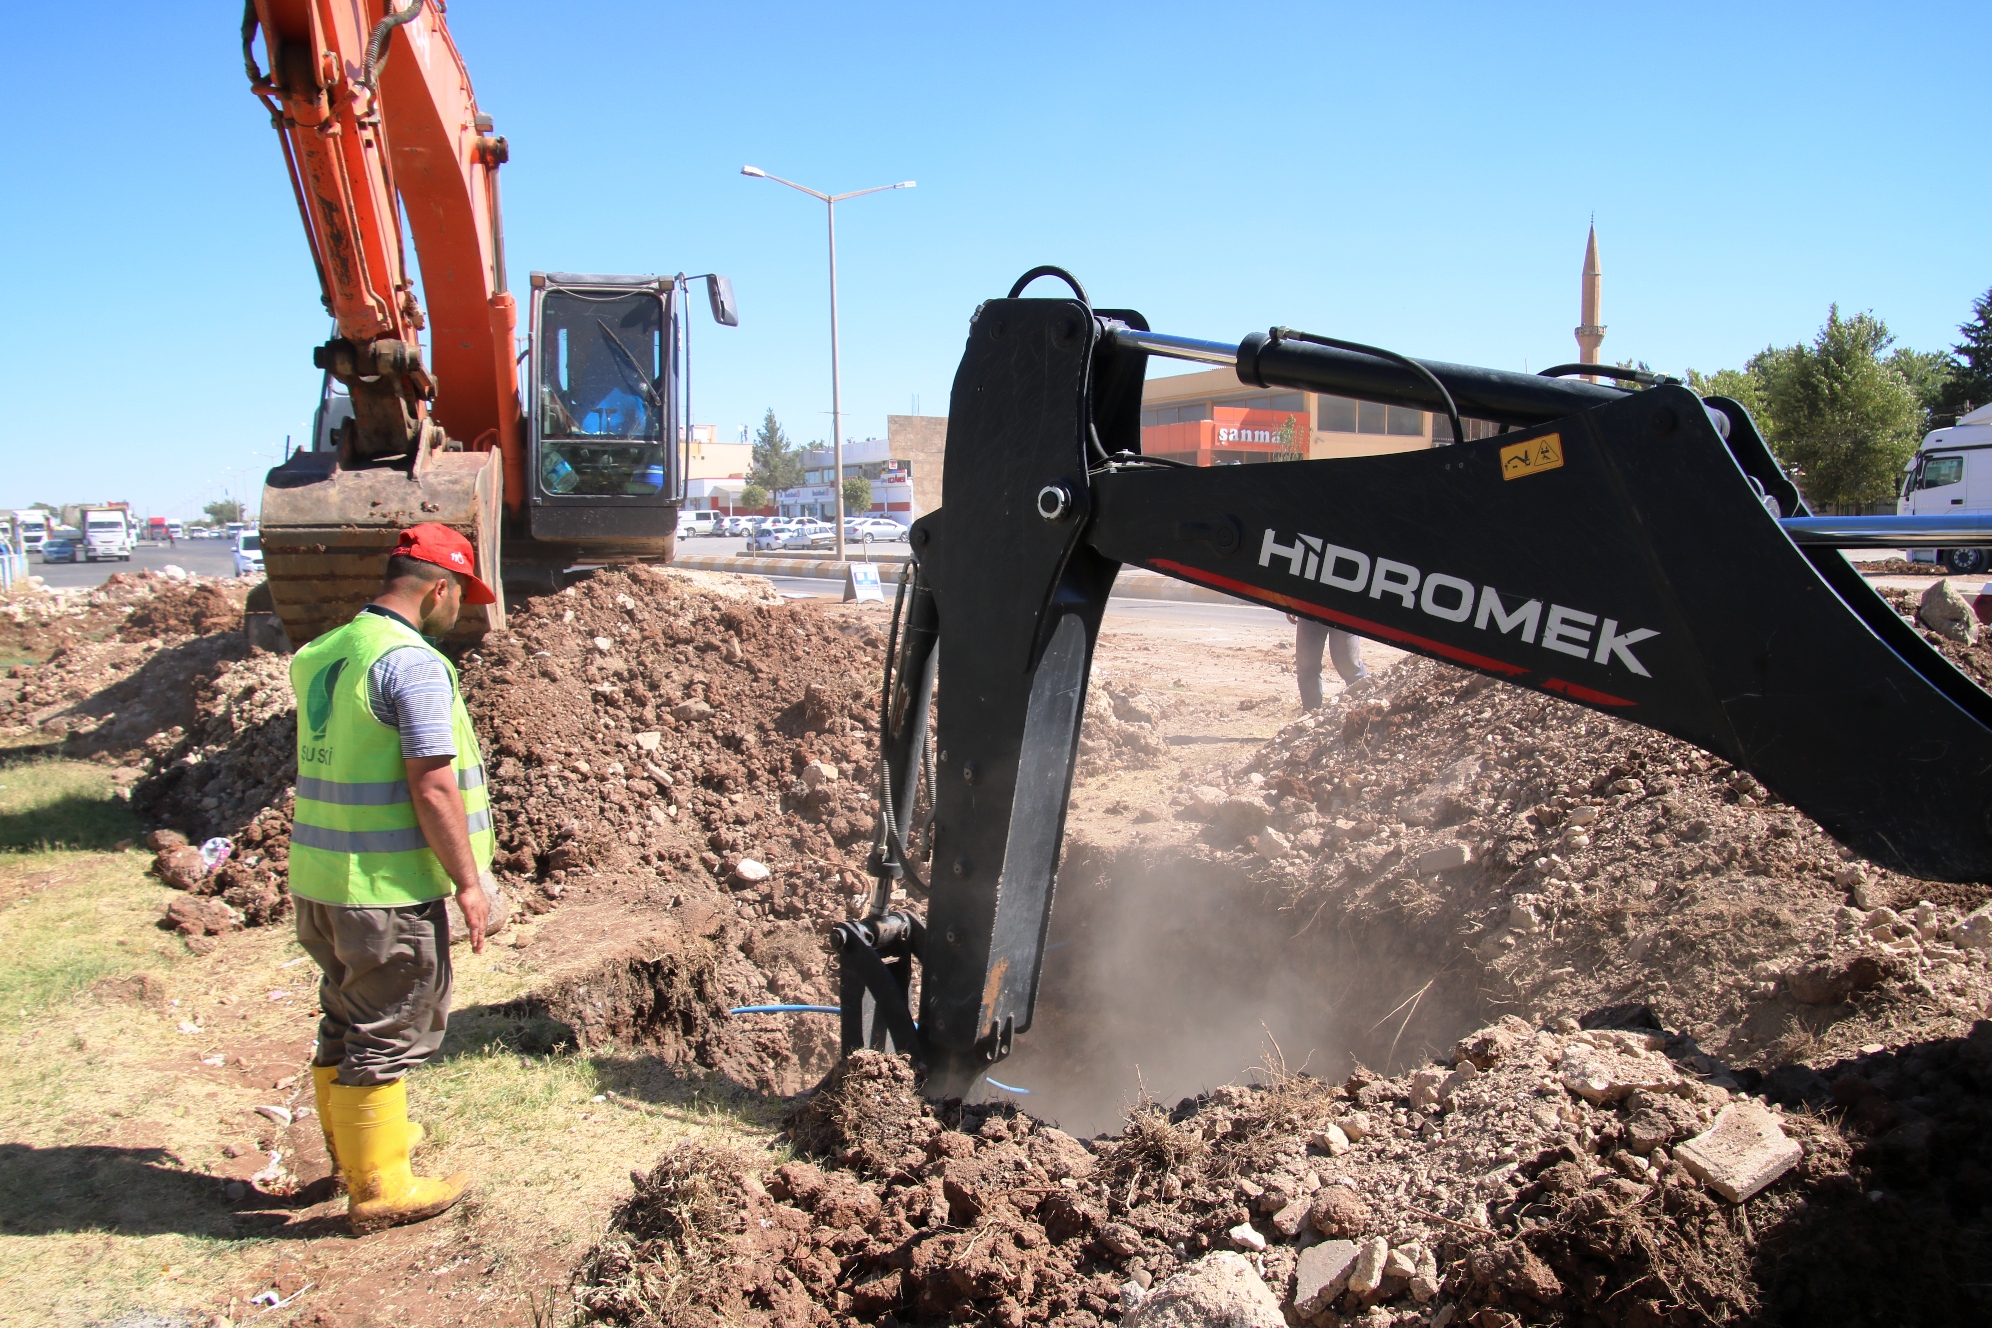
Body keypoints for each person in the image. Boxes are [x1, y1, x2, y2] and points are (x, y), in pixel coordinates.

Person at [288, 522, 499, 1234]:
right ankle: (379, 1185)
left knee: (345, 1014)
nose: (459, 613)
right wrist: (469, 882)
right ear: (437, 588)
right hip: (383, 887)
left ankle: (354, 1151)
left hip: (320, 878)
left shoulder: (323, 653)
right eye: (459, 599)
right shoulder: (411, 664)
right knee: (388, 1022)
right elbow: (433, 783)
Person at [1288, 613, 1367, 710]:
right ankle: (1311, 714)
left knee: (1347, 663)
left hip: (1346, 611)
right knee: (1307, 664)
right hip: (1309, 609)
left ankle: (1365, 707)